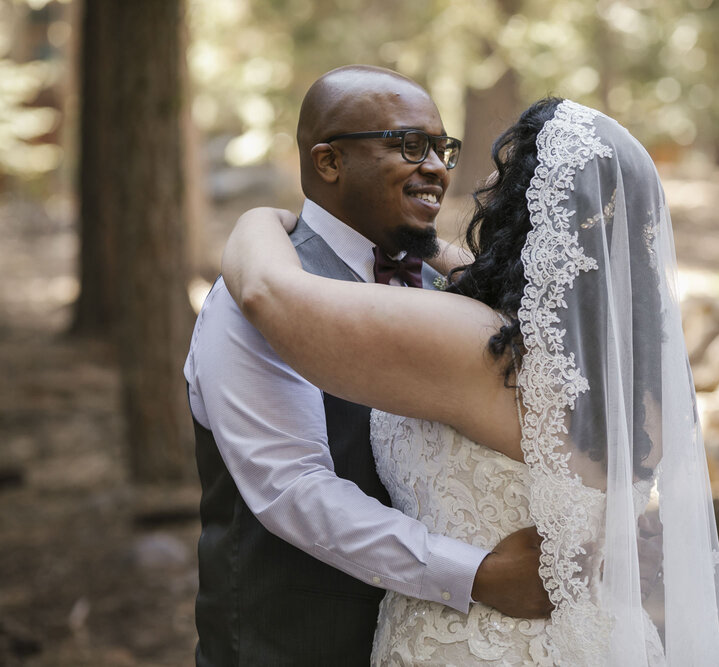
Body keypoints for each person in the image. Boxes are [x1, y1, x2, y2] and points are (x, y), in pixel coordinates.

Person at [223, 97, 719, 665]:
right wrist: (435, 250)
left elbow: (268, 293)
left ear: (527, 211)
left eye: (506, 176)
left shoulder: (478, 350)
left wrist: (256, 221)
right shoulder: (642, 373)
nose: (479, 181)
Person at [184, 65, 551, 667]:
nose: (436, 166)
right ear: (328, 162)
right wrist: (477, 575)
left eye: (442, 147)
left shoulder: (449, 285)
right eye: (410, 145)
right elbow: (291, 489)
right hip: (293, 645)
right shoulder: (254, 298)